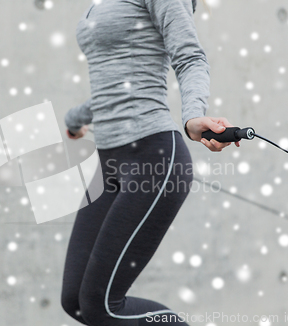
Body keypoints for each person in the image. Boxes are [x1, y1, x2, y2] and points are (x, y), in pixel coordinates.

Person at [61, 0, 239, 325]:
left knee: (102, 306)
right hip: (110, 160)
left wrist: (193, 117)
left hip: (152, 158)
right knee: (75, 301)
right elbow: (113, 79)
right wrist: (75, 120)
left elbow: (190, 58)